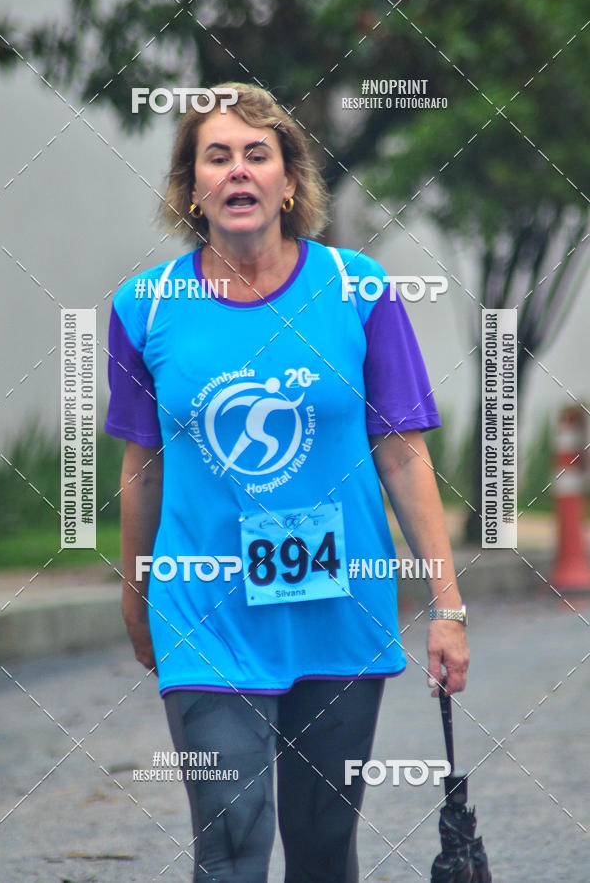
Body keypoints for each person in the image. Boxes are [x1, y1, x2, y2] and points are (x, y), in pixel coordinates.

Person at [105, 81, 469, 883]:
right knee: (232, 839)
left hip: (339, 604)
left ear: (290, 181)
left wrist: (446, 605)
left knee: (322, 848)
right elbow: (143, 464)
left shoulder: (360, 290)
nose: (238, 170)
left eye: (257, 154)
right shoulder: (144, 307)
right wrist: (136, 594)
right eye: (217, 157)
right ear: (192, 188)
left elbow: (403, 453)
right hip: (206, 607)